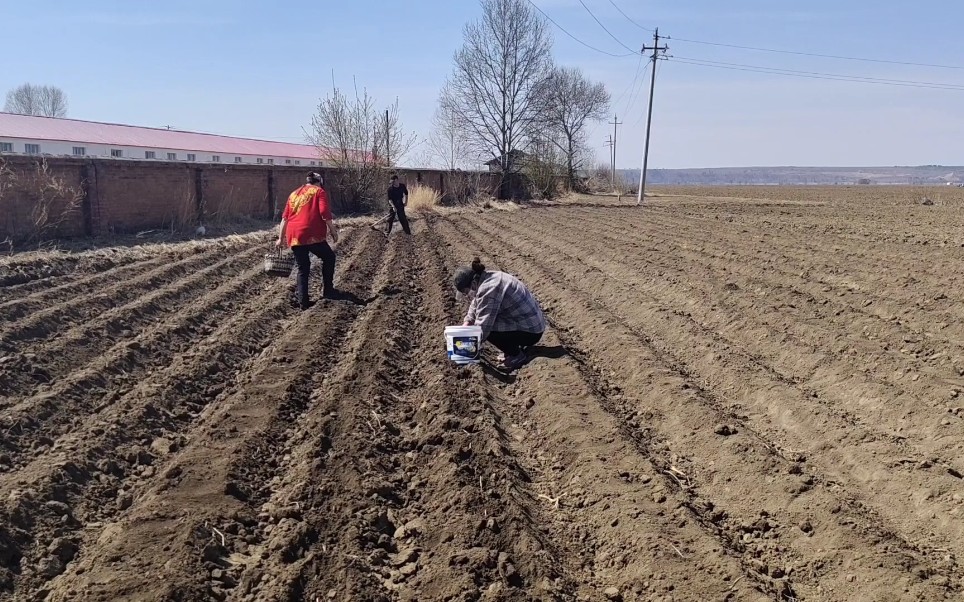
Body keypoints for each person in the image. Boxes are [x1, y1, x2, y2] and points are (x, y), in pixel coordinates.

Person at [454, 258, 546, 370]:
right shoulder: (487, 278)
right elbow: (476, 302)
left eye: (466, 291)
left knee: (489, 328)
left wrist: (465, 348)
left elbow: (483, 327)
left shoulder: (489, 288)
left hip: (531, 332)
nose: (467, 295)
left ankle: (516, 355)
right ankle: (511, 349)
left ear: (473, 283)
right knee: (485, 323)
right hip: (529, 323)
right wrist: (467, 321)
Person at [276, 172, 339, 309]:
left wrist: (280, 238)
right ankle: (328, 290)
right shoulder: (318, 191)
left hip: (294, 235)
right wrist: (333, 230)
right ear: (319, 182)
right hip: (311, 233)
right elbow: (324, 212)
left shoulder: (294, 194)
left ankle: (303, 302)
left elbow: (285, 218)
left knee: (303, 268)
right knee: (329, 257)